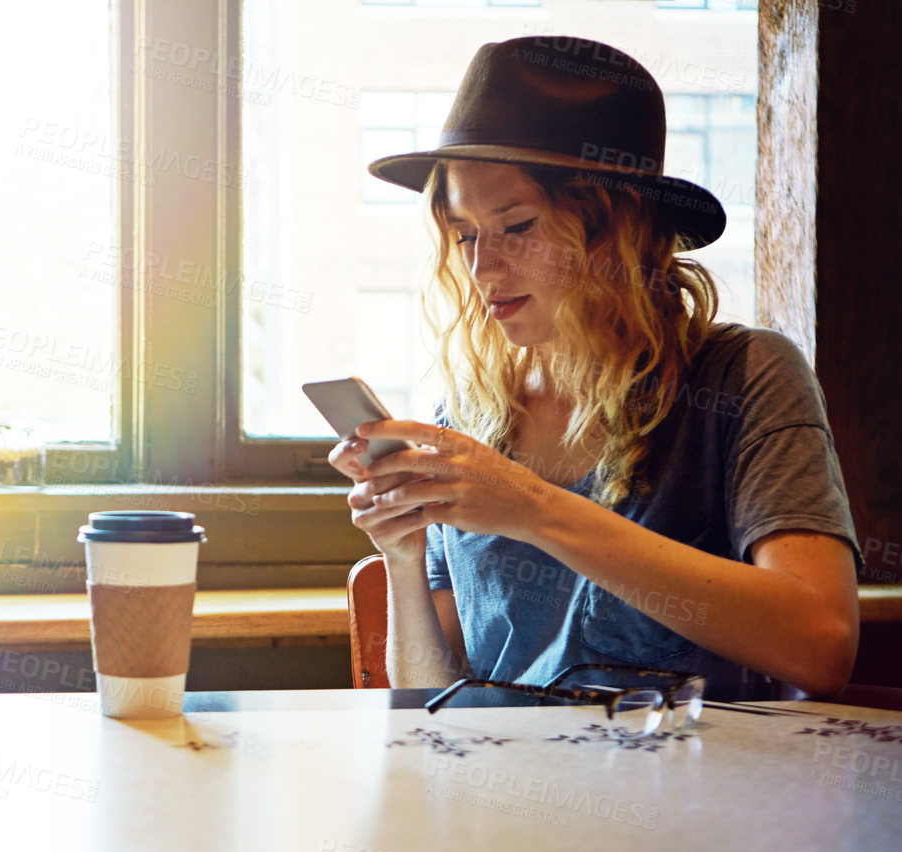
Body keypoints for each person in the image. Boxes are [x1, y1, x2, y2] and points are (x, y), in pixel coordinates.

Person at [330, 35, 860, 700]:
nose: (480, 268)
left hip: (698, 794)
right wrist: (403, 557)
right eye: (464, 234)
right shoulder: (467, 421)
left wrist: (534, 509)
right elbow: (428, 706)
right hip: (507, 795)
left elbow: (820, 642)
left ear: (620, 226)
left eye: (516, 226)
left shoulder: (745, 379)